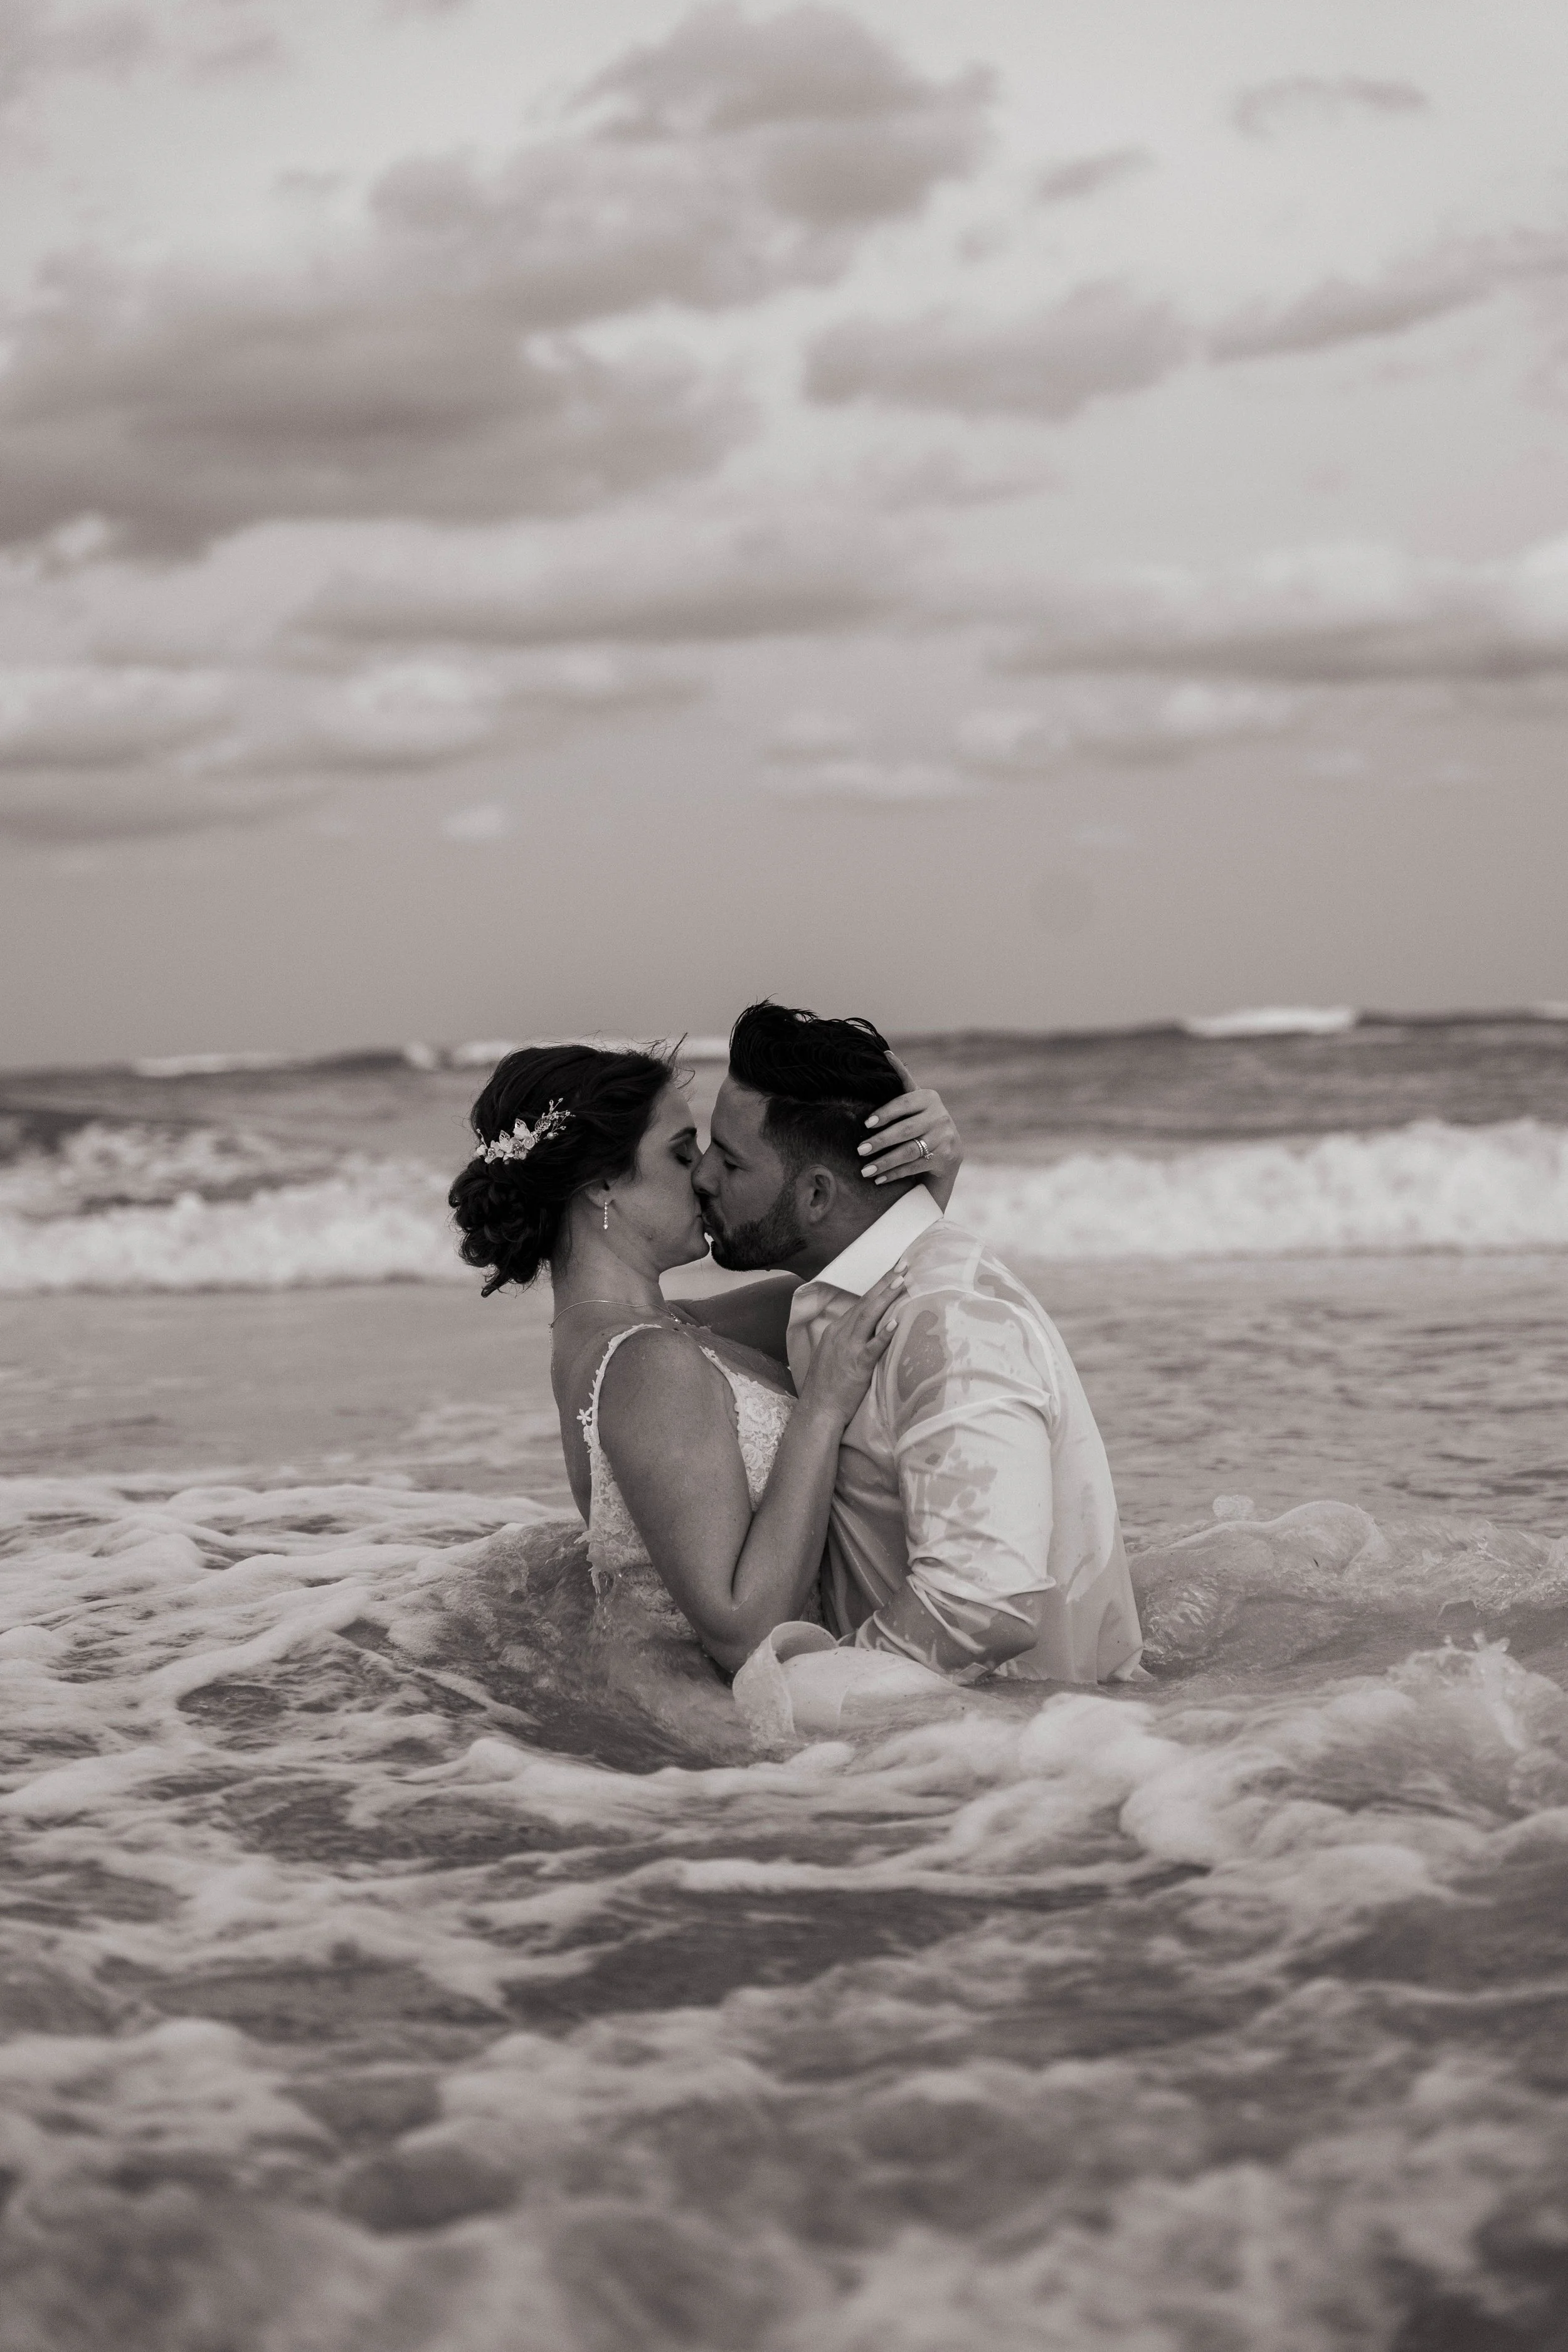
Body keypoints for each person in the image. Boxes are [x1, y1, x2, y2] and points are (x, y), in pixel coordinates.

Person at [447, 1036, 963, 1676]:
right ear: (603, 1182)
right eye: (681, 1151)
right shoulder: (648, 1362)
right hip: (764, 1730)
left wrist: (924, 1169)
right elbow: (744, 1633)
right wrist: (821, 1411)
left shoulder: (651, 1334)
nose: (703, 1175)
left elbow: (872, 1287)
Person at [696, 1002, 1143, 1687]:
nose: (702, 1177)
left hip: (1028, 1751)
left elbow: (983, 1604)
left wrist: (797, 1699)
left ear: (816, 1197)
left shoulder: (954, 1325)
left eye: (728, 1160)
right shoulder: (842, 1296)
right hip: (929, 1756)